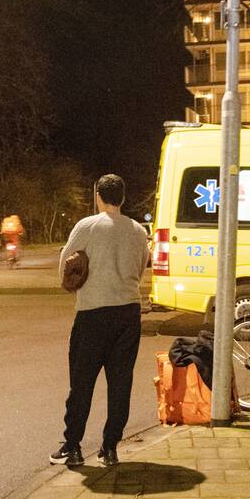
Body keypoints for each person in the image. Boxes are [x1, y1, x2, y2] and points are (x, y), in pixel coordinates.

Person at [50, 174, 149, 467]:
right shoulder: (138, 230)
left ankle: (73, 445)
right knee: (120, 383)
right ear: (123, 196)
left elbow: (65, 267)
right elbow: (140, 268)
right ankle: (110, 447)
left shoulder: (87, 226)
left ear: (98, 196)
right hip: (128, 313)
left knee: (82, 383)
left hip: (93, 313)